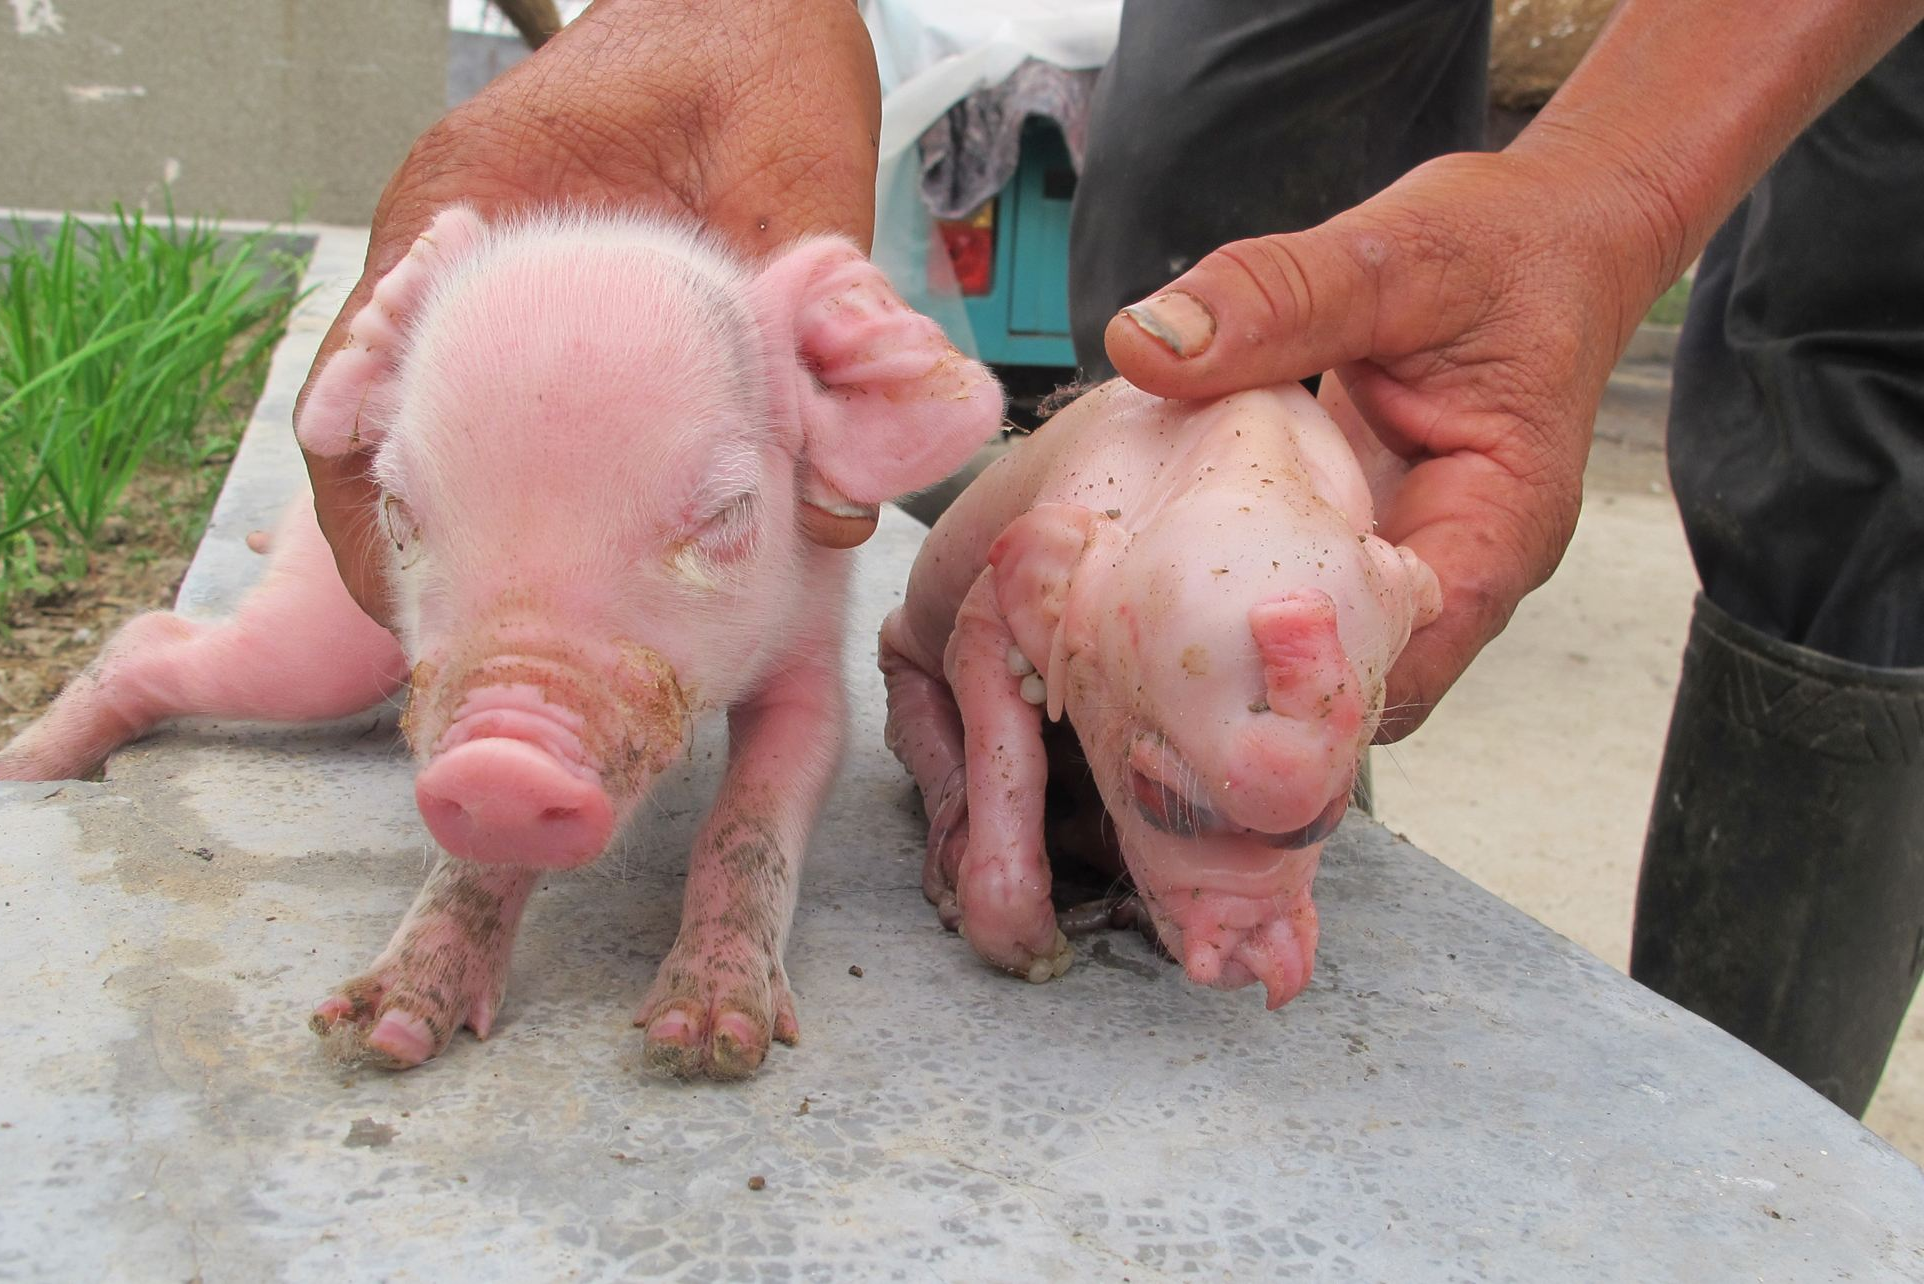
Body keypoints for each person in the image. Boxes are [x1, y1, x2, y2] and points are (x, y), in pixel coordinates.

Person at [298, 0, 1924, 1114]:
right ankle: (1191, 810)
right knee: (1209, 231)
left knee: (1862, 375)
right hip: (1109, 586)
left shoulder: (1055, 547)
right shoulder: (1037, 559)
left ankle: (1747, 1104)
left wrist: (1616, 197)